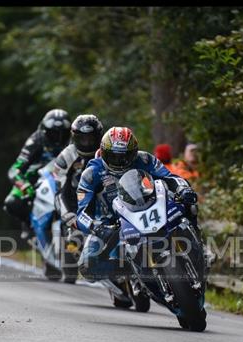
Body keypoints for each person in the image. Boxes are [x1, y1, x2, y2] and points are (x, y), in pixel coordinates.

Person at [75, 126, 199, 305]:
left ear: (133, 152)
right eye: (114, 156)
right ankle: (129, 273)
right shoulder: (91, 173)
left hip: (147, 207)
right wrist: (97, 227)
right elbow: (81, 213)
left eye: (125, 155)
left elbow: (169, 177)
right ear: (103, 152)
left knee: (189, 204)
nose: (120, 161)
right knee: (87, 266)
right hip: (110, 223)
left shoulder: (145, 158)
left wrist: (183, 188)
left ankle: (197, 244)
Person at [3, 108, 71, 238]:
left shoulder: (74, 140)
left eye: (63, 133)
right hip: (36, 176)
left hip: (67, 176)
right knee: (12, 203)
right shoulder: (36, 140)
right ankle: (29, 225)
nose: (58, 138)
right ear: (45, 130)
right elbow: (14, 169)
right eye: (53, 133)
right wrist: (24, 185)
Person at [54, 114, 105, 251]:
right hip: (76, 206)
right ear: (75, 137)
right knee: (72, 242)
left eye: (90, 138)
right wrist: (69, 216)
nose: (87, 143)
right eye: (83, 139)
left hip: (105, 204)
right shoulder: (66, 156)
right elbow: (58, 192)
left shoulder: (108, 151)